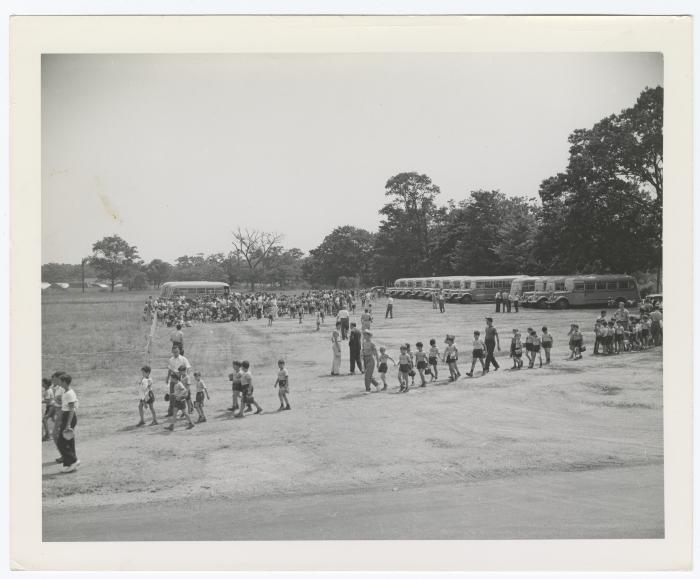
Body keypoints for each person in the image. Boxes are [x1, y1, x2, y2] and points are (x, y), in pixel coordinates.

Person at [57, 373, 80, 473]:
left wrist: (68, 424)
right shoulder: (65, 392)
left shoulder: (69, 393)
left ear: (65, 382)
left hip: (69, 418)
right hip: (66, 417)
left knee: (61, 442)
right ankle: (72, 463)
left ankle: (73, 461)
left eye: (60, 381)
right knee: (68, 441)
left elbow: (71, 410)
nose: (59, 383)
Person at [166, 346, 191, 417]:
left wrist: (186, 377)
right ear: (172, 352)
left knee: (183, 395)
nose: (175, 353)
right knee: (172, 395)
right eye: (174, 352)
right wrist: (167, 378)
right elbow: (170, 369)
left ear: (179, 351)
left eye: (176, 351)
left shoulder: (183, 359)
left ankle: (186, 411)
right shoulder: (171, 359)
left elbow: (188, 368)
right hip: (173, 379)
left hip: (181, 379)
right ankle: (171, 412)